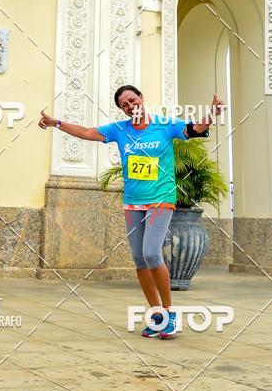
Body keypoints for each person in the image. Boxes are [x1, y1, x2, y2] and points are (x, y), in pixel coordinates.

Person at [39, 85, 225, 340]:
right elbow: (85, 132)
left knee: (151, 252)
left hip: (161, 200)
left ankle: (170, 314)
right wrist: (55, 123)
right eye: (123, 104)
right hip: (133, 202)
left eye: (132, 99)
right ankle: (156, 314)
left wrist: (213, 114)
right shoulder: (119, 130)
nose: (129, 105)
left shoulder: (164, 125)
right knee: (139, 258)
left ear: (141, 98)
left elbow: (195, 128)